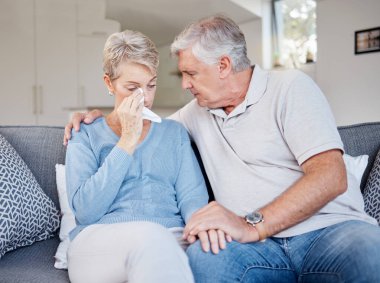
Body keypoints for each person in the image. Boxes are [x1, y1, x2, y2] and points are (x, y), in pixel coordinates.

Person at [64, 15, 380, 283]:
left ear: (224, 65)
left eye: (190, 73)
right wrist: (93, 117)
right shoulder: (195, 112)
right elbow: (142, 127)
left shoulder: (290, 88)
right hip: (254, 249)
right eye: (133, 88)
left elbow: (330, 176)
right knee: (207, 259)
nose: (184, 85)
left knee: (369, 255)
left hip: (326, 231)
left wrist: (249, 224)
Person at [65, 29, 210, 283]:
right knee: (151, 237)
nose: (145, 98)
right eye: (132, 87)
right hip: (99, 244)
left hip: (170, 237)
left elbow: (193, 200)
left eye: (151, 85)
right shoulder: (85, 134)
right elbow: (86, 212)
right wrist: (127, 141)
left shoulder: (173, 134)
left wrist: (203, 233)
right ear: (109, 84)